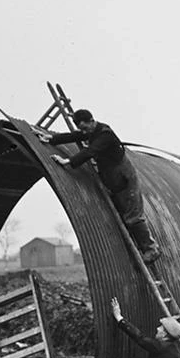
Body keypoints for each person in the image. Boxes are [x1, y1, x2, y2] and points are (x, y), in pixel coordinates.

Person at [37, 109, 160, 264]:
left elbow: (91, 151)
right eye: (82, 128)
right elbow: (76, 135)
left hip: (125, 178)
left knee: (133, 216)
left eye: (85, 128)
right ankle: (140, 246)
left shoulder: (105, 135)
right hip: (114, 181)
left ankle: (151, 249)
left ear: (91, 121)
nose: (84, 131)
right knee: (125, 216)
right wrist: (52, 139)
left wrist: (68, 161)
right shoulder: (92, 131)